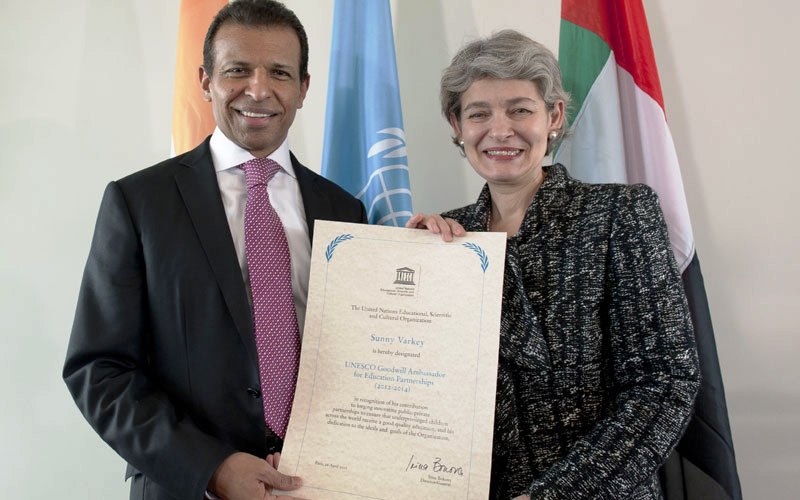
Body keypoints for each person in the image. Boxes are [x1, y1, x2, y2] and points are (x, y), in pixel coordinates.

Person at [63, 1, 366, 498]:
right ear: (205, 81)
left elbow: (361, 355)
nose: (259, 90)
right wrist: (212, 468)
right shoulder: (139, 203)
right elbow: (98, 369)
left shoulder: (345, 211)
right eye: (238, 70)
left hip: (320, 485)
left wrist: (433, 255)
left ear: (304, 88)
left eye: (280, 73)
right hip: (188, 488)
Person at [407, 30, 700, 499]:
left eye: (520, 109)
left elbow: (664, 384)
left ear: (555, 116)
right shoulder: (444, 237)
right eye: (479, 113)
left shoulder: (619, 215)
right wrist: (408, 269)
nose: (500, 130)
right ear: (456, 125)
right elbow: (415, 387)